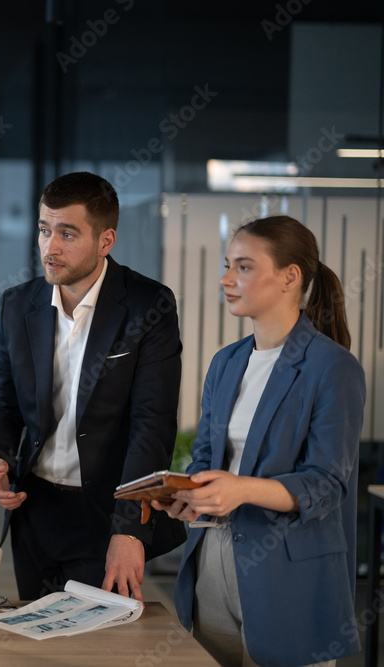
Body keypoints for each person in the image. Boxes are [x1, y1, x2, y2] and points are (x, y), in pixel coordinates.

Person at [154, 216, 365, 667]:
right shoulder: (226, 362)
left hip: (289, 573)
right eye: (228, 265)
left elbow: (328, 483)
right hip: (213, 562)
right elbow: (208, 458)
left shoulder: (333, 368)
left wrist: (240, 489)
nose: (226, 279)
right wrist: (190, 496)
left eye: (244, 267)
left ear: (290, 277)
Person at [0, 171, 185, 602]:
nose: (49, 248)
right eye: (44, 230)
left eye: (67, 234)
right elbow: (2, 396)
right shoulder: (18, 305)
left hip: (105, 512)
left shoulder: (149, 307)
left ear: (105, 241)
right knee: (37, 640)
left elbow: (153, 424)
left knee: (98, 649)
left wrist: (130, 529)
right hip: (33, 511)